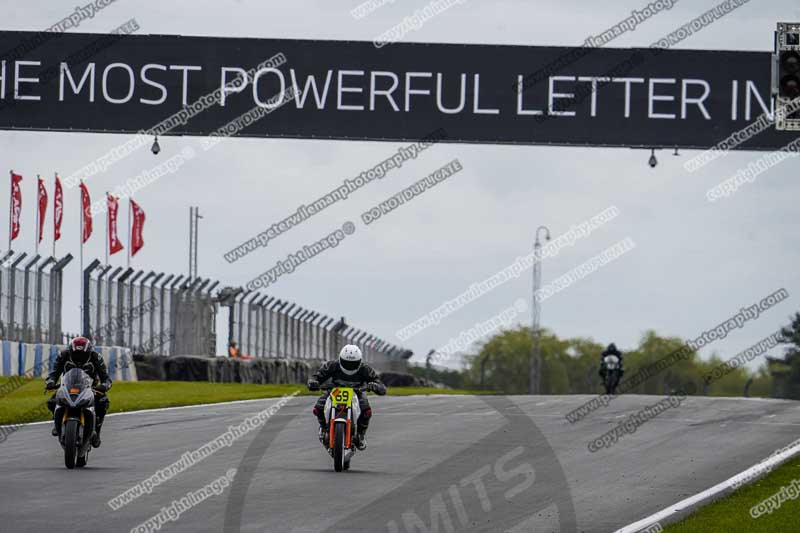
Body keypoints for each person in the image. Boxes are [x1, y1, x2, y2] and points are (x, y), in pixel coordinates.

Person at [307, 345, 386, 450]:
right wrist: (313, 382)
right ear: (340, 359)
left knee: (366, 411)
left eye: (353, 363)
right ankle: (324, 428)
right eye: (347, 363)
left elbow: (381, 386)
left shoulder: (365, 369)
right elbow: (316, 376)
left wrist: (376, 386)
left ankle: (360, 435)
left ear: (359, 361)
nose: (349, 366)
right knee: (318, 408)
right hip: (334, 391)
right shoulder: (332, 365)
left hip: (357, 392)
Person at [45, 336, 112, 448]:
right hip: (67, 386)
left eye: (82, 355)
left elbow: (106, 378)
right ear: (71, 351)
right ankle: (57, 424)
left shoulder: (96, 357)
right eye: (76, 355)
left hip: (90, 388)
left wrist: (104, 386)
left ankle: (97, 431)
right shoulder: (64, 355)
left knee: (103, 403)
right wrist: (50, 382)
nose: (79, 358)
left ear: (89, 352)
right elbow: (54, 373)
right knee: (52, 402)